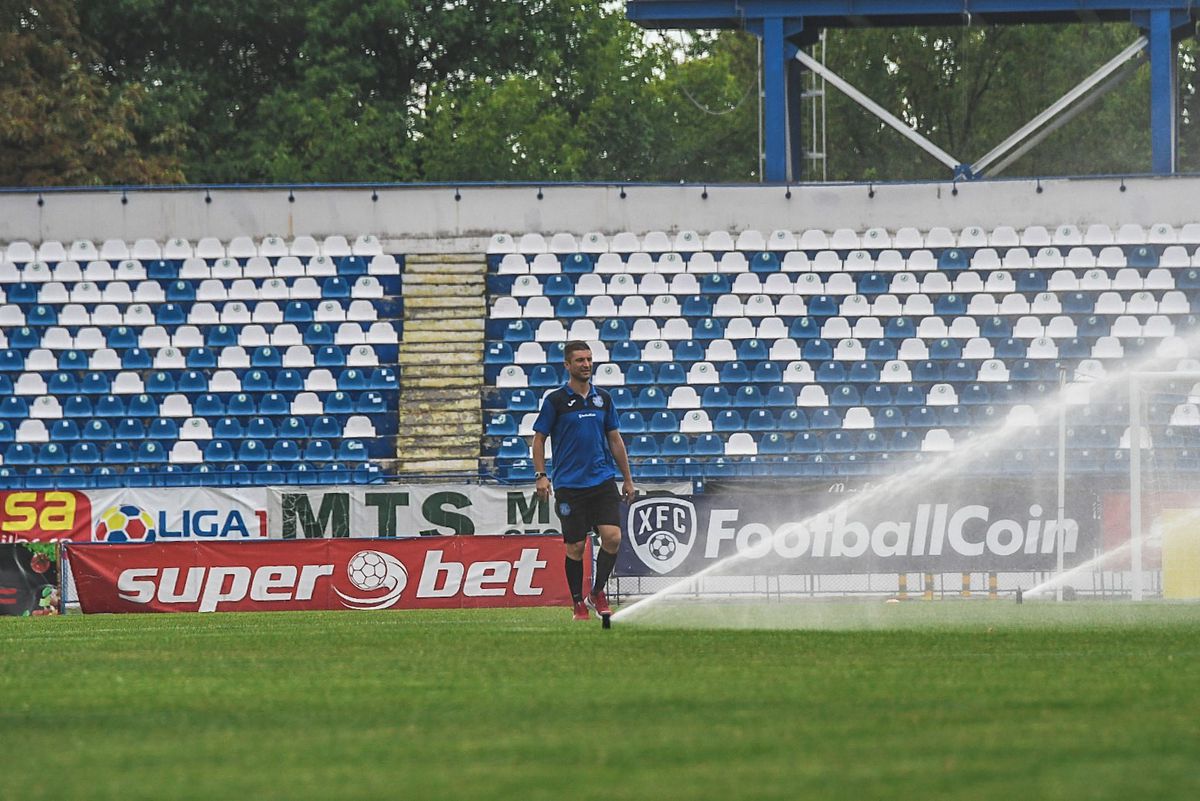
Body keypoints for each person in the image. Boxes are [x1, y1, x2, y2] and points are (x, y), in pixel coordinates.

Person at [532, 341, 635, 620]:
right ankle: (577, 601)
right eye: (579, 360)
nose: (586, 364)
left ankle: (597, 592)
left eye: (589, 359)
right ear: (567, 365)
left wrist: (627, 478)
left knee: (612, 537)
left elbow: (615, 440)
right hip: (569, 485)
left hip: (602, 480)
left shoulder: (604, 399)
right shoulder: (555, 401)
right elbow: (538, 440)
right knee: (576, 547)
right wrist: (541, 475)